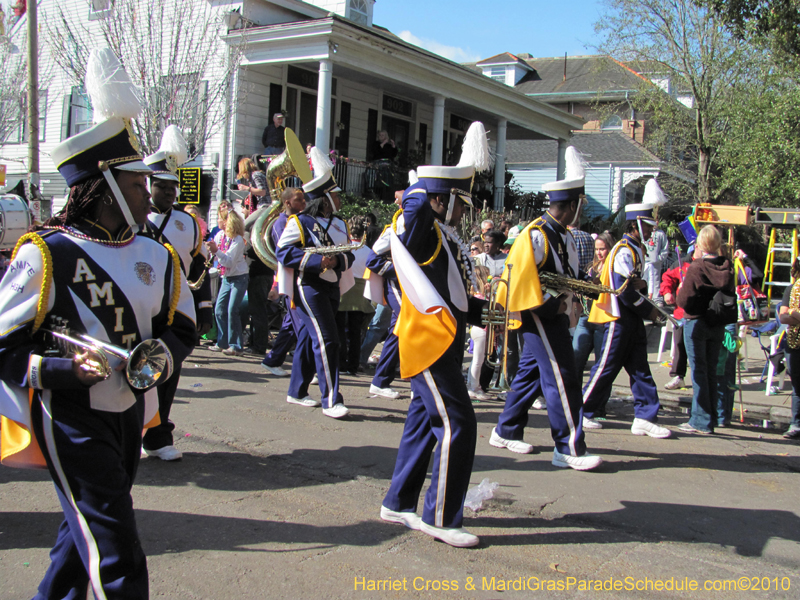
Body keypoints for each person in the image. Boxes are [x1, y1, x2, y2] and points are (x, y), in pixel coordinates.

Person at [0, 49, 196, 600]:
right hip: (69, 415)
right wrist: (65, 370)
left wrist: (159, 359)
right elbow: (4, 348)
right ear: (104, 185)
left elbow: (182, 328)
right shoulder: (46, 253)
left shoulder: (155, 255)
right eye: (137, 185)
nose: (148, 193)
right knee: (116, 550)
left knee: (81, 533)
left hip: (130, 408)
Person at [381, 122, 491, 548]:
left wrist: (493, 312)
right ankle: (441, 517)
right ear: (441, 201)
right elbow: (411, 214)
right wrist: (422, 190)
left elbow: (455, 297)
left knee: (425, 424)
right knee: (458, 422)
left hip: (443, 342)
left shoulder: (445, 238)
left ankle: (398, 501)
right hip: (427, 344)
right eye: (459, 203)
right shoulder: (423, 228)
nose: (466, 212)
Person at [491, 147, 602, 471]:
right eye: (579, 205)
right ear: (570, 205)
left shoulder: (563, 236)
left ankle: (505, 429)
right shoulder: (535, 234)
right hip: (537, 312)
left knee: (530, 375)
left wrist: (591, 286)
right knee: (562, 375)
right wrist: (557, 303)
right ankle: (567, 447)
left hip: (552, 311)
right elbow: (523, 280)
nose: (580, 210)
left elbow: (568, 275)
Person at [141, 125, 214, 462]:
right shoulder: (134, 220)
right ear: (148, 185)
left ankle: (158, 436)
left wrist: (204, 305)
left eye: (173, 187)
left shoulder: (187, 223)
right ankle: (133, 431)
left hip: (176, 306)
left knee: (168, 368)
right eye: (162, 186)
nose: (170, 192)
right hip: (140, 304)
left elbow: (198, 266)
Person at [582, 192, 672, 439]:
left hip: (630, 318)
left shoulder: (634, 248)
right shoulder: (623, 249)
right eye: (647, 226)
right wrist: (650, 311)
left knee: (641, 369)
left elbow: (633, 285)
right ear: (635, 225)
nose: (651, 231)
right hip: (618, 317)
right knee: (606, 368)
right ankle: (582, 410)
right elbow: (623, 291)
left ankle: (645, 417)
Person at [276, 148, 354, 418]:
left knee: (312, 338)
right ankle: (331, 400)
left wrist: (336, 261)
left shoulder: (339, 223)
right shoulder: (300, 222)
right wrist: (317, 262)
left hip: (332, 285)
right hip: (308, 286)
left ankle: (296, 391)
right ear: (324, 199)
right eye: (335, 195)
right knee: (329, 340)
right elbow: (283, 252)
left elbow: (349, 253)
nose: (339, 199)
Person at [676, 225, 735, 434]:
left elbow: (683, 300)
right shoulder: (728, 267)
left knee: (699, 372)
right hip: (718, 322)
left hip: (696, 321)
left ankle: (700, 420)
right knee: (711, 372)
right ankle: (712, 417)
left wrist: (681, 292)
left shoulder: (697, 266)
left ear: (700, 244)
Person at [261, 187, 306, 377]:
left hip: (296, 278)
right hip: (290, 279)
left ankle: (273, 360)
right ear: (287, 203)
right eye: (299, 200)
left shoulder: (297, 220)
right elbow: (286, 254)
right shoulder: (281, 224)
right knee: (300, 323)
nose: (304, 203)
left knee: (291, 323)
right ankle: (305, 369)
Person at [573, 232, 615, 378]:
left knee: (601, 363)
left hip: (602, 320)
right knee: (576, 358)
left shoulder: (613, 269)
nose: (599, 253)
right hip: (585, 317)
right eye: (596, 249)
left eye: (602, 249)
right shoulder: (590, 268)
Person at [207, 210, 249, 356]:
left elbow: (229, 261)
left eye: (220, 218)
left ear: (227, 221)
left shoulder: (237, 240)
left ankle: (236, 346)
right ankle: (222, 342)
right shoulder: (220, 236)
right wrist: (211, 251)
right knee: (219, 309)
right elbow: (218, 256)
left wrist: (216, 251)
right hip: (226, 277)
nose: (218, 221)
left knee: (232, 310)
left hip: (239, 277)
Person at [336, 216, 374, 375]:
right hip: (361, 292)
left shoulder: (343, 248)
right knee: (355, 331)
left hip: (343, 290)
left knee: (339, 330)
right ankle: (353, 365)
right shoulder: (369, 251)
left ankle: (341, 362)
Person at [660, 247, 694, 390]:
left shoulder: (707, 264)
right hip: (682, 313)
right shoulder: (683, 264)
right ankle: (678, 376)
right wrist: (667, 292)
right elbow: (667, 278)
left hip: (701, 314)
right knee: (679, 344)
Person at [778, 256, 800, 439]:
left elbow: (788, 315)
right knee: (797, 384)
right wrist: (794, 313)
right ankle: (796, 424)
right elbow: (782, 317)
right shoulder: (791, 289)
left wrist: (793, 313)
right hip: (794, 342)